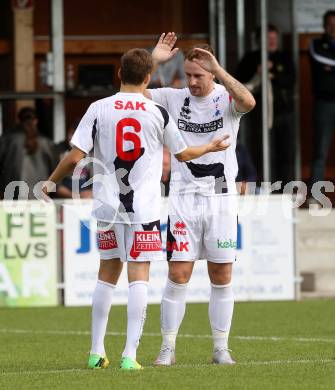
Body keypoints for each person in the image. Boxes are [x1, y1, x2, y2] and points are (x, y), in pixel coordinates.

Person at [42, 47, 231, 370]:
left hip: (106, 208)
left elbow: (75, 157)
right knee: (138, 279)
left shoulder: (98, 108)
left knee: (105, 276)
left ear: (119, 73)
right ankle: (130, 355)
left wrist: (50, 181)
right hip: (143, 209)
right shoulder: (157, 112)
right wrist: (211, 146)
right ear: (148, 78)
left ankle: (96, 351)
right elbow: (184, 155)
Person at [145, 33, 255, 365]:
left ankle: (221, 348)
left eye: (199, 75)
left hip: (221, 200)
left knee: (221, 276)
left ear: (210, 73)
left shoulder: (226, 98)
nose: (192, 81)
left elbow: (249, 102)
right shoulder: (172, 98)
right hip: (183, 199)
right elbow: (130, 91)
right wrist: (153, 61)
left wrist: (220, 71)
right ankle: (167, 348)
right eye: (189, 75)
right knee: (178, 273)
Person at [235, 24, 295, 186]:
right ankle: (264, 187)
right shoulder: (250, 59)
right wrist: (258, 73)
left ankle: (286, 190)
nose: (272, 42)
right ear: (259, 41)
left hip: (282, 113)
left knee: (285, 152)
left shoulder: (284, 57)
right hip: (257, 115)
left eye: (274, 38)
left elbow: (291, 81)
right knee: (261, 152)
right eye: (268, 39)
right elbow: (238, 84)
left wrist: (272, 75)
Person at [0, 107, 55, 199]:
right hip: (40, 196)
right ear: (36, 121)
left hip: (13, 195)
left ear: (18, 120)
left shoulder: (7, 141)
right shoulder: (46, 143)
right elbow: (55, 169)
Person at [309, 10, 335, 190]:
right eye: (330, 25)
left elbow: (328, 63)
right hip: (324, 104)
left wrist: (330, 67)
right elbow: (319, 58)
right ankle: (315, 195)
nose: (334, 28)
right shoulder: (316, 44)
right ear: (324, 26)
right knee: (320, 151)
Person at [54, 119, 92, 199]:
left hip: (86, 195)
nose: (73, 139)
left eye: (77, 135)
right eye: (71, 134)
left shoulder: (91, 151)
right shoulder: (58, 151)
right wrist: (74, 196)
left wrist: (90, 193)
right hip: (65, 195)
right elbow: (55, 185)